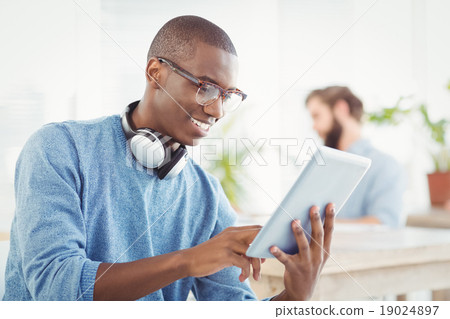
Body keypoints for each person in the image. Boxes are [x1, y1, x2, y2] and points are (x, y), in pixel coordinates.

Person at [4, 15, 335, 301]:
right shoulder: (59, 148)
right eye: (205, 87)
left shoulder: (206, 195)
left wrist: (294, 296)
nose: (217, 110)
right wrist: (187, 261)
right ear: (155, 73)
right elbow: (55, 287)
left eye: (227, 95)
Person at [305, 86, 404, 228]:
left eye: (317, 116)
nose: (314, 126)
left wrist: (319, 227)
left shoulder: (385, 166)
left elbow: (386, 224)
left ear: (341, 109)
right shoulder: (322, 167)